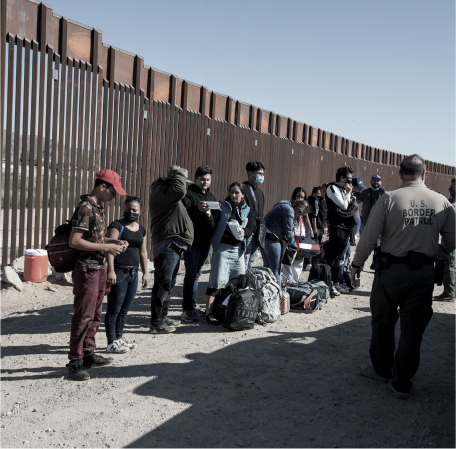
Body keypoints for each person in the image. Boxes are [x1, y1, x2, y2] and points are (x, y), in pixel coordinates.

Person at [351, 155, 455, 400]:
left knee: (383, 321)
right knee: (412, 329)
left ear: (400, 174)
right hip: (424, 273)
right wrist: (433, 253)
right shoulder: (441, 202)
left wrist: (357, 264)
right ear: (425, 174)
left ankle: (381, 370)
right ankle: (401, 383)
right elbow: (451, 242)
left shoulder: (389, 199)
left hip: (391, 271)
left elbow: (368, 237)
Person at [66, 169, 128, 381]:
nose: (114, 196)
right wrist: (107, 248)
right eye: (113, 191)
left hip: (98, 268)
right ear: (103, 186)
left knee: (95, 314)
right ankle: (75, 361)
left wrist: (114, 243)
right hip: (87, 269)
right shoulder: (85, 208)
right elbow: (74, 241)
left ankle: (88, 354)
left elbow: (96, 239)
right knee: (83, 315)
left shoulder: (98, 208)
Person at [149, 165, 194, 334]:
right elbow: (179, 191)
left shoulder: (167, 195)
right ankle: (157, 322)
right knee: (162, 283)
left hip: (173, 244)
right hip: (167, 244)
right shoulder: (162, 193)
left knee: (169, 283)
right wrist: (178, 172)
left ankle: (162, 317)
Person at [205, 182, 255, 325]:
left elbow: (252, 227)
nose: (233, 195)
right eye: (232, 192)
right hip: (222, 248)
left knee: (237, 282)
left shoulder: (247, 210)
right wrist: (209, 215)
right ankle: (208, 313)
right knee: (216, 281)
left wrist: (245, 232)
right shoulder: (222, 206)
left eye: (237, 193)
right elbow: (212, 224)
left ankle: (229, 309)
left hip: (239, 250)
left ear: (243, 194)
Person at [105, 196, 148, 353]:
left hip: (133, 273)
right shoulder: (117, 225)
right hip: (119, 271)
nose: (131, 212)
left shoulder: (141, 229)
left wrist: (145, 273)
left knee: (124, 309)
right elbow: (108, 247)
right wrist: (110, 270)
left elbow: (143, 252)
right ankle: (111, 342)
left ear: (140, 211)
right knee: (114, 309)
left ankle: (119, 338)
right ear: (124, 208)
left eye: (134, 210)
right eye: (128, 209)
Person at [181, 166, 218, 322]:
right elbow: (184, 217)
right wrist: (197, 209)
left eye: (208, 179)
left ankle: (192, 307)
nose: (205, 182)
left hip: (206, 241)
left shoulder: (212, 197)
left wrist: (209, 215)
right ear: (195, 179)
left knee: (197, 274)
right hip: (192, 241)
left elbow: (214, 223)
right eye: (202, 179)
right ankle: (187, 309)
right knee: (191, 275)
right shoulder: (188, 195)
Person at [324, 166, 358, 295]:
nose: (350, 183)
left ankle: (336, 282)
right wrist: (349, 193)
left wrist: (349, 194)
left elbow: (350, 205)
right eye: (349, 180)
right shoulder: (332, 188)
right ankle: (328, 283)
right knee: (332, 257)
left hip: (345, 227)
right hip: (337, 227)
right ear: (342, 178)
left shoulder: (344, 190)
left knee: (340, 258)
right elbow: (343, 205)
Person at [261, 200, 308, 285]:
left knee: (267, 267)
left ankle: (267, 290)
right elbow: (289, 231)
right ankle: (278, 293)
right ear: (299, 209)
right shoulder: (289, 210)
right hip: (272, 238)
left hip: (263, 237)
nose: (298, 216)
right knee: (276, 269)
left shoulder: (282, 205)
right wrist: (294, 246)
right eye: (300, 214)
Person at [434, 177, 456, 302]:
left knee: (450, 265)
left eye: (453, 187)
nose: (451, 189)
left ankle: (449, 293)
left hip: (451, 237)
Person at [281, 197, 312, 283]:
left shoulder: (303, 216)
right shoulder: (290, 213)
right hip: (289, 241)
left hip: (301, 240)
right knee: (288, 261)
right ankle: (287, 280)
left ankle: (295, 279)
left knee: (299, 262)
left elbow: (308, 226)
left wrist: (310, 236)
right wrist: (295, 215)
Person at [243, 161, 266, 270]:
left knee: (251, 261)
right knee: (243, 262)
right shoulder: (242, 189)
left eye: (262, 174)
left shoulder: (260, 193)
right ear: (250, 174)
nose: (262, 176)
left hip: (258, 234)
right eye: (259, 174)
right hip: (247, 234)